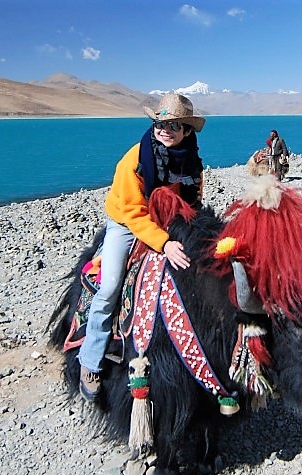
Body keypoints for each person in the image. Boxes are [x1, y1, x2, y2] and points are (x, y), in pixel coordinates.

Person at [78, 93, 206, 401]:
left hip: (169, 221)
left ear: (186, 130)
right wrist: (165, 244)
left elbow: (193, 202)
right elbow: (134, 214)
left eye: (174, 125)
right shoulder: (134, 160)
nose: (165, 130)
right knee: (109, 286)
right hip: (126, 224)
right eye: (160, 123)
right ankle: (90, 359)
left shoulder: (191, 161)